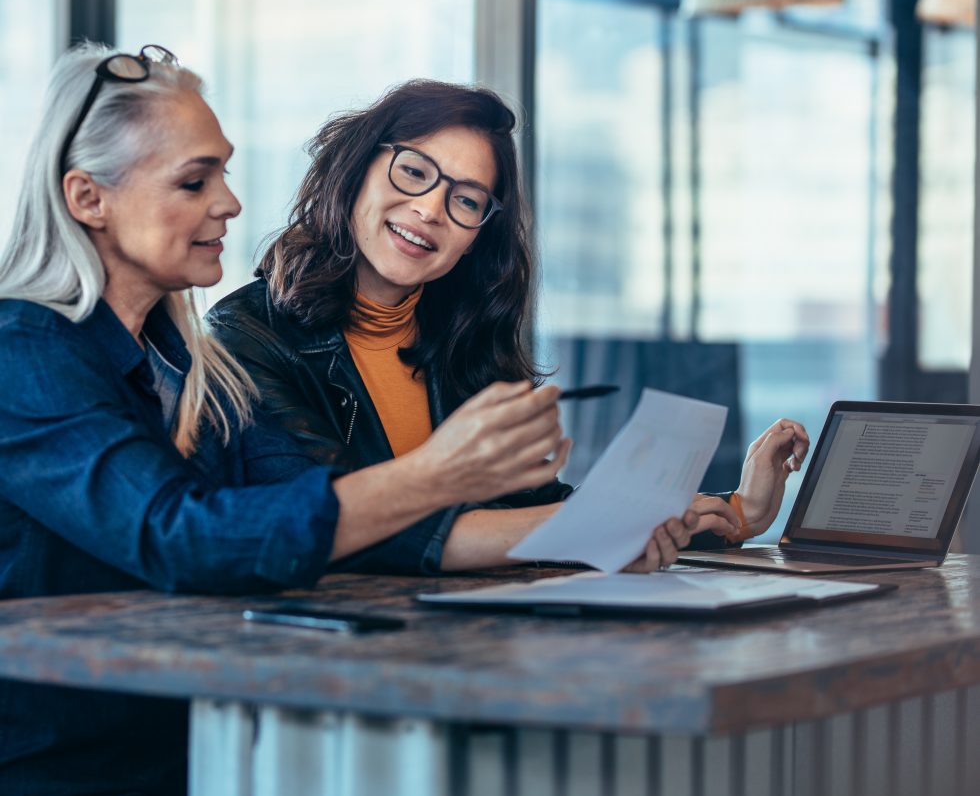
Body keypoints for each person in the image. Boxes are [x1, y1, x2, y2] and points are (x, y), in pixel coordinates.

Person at [0, 45, 699, 796]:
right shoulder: (24, 352)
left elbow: (330, 511)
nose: (228, 202)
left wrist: (610, 524)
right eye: (195, 181)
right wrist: (440, 474)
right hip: (58, 795)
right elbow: (180, 535)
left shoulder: (192, 367)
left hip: (200, 754)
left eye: (223, 173)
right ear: (89, 198)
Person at [208, 80, 810, 572]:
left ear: (477, 238)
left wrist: (737, 512)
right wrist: (602, 527)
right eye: (414, 171)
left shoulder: (459, 341)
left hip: (463, 646)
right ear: (356, 169)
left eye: (466, 200)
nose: (430, 209)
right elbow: (341, 526)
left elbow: (530, 510)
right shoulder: (244, 338)